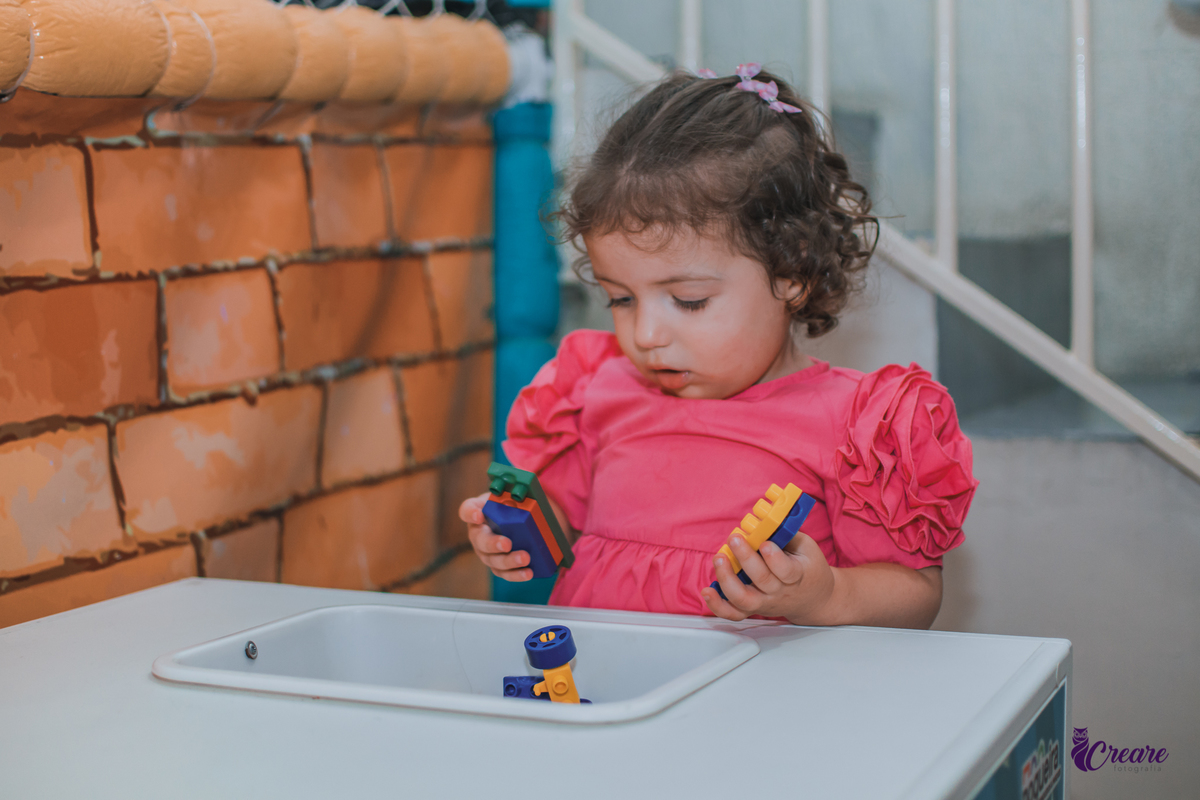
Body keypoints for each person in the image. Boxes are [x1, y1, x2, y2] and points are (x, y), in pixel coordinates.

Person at [459, 65, 978, 628]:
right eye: (621, 299)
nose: (645, 335)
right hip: (599, 674)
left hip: (754, 683)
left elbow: (916, 595)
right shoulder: (600, 388)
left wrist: (827, 596)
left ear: (792, 272)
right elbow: (564, 527)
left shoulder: (856, 429)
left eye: (689, 301)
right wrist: (518, 535)